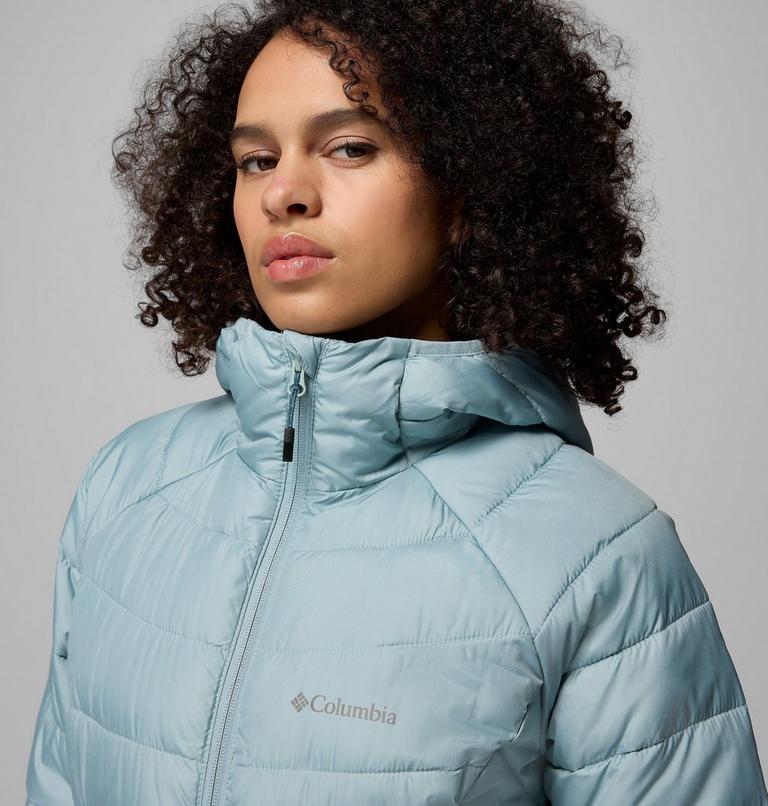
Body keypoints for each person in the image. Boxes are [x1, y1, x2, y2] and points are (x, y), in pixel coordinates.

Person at [25, 2, 767, 804]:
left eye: (350, 147)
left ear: (466, 188)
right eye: (256, 160)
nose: (284, 194)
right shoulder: (128, 487)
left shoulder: (598, 553)